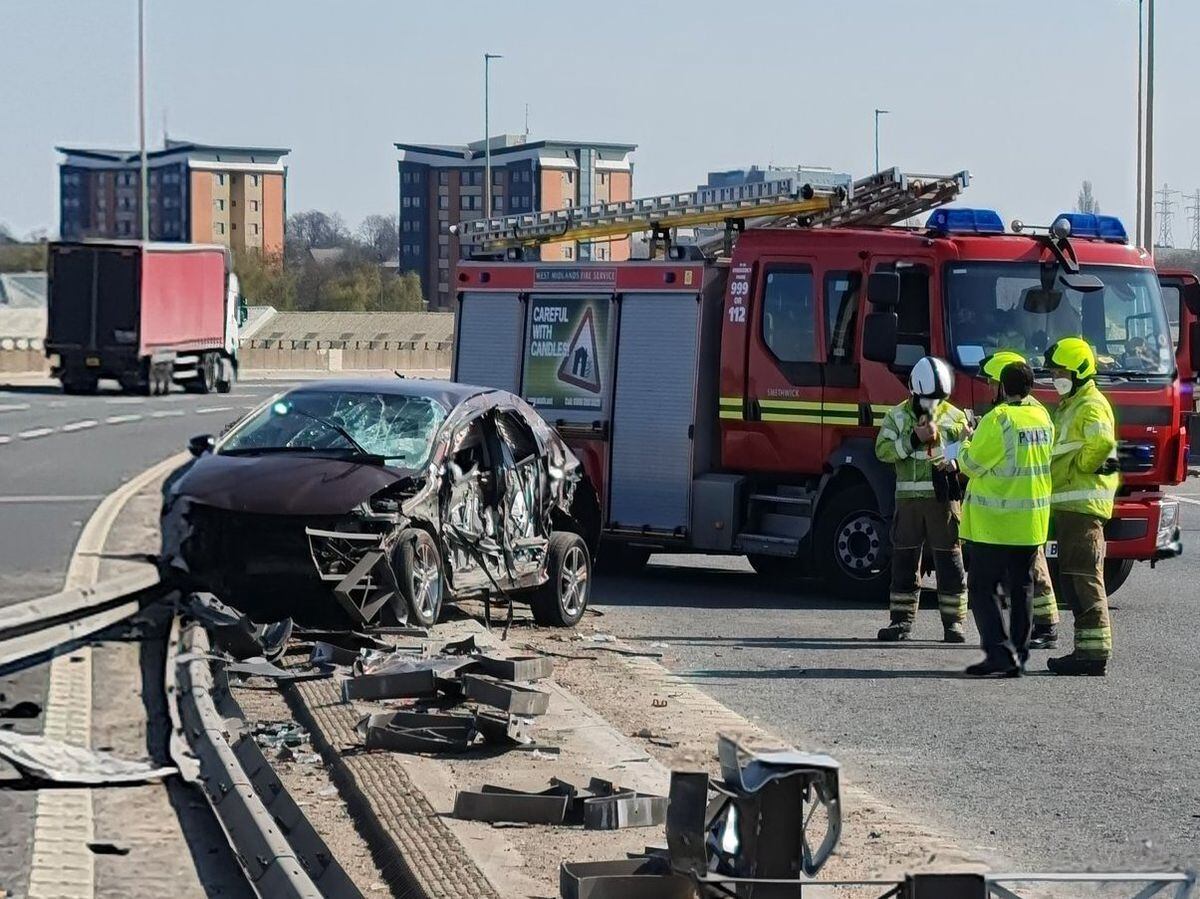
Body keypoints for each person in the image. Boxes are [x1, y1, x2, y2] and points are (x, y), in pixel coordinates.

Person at [956, 361, 1055, 677]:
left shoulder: (998, 420)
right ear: (1030, 388)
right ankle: (1019, 654)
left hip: (996, 524)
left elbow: (969, 464)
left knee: (982, 588)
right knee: (1022, 588)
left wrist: (965, 438)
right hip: (1031, 523)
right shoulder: (1042, 417)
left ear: (1001, 387)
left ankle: (999, 653)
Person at [874, 356, 970, 643]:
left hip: (944, 501)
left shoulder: (954, 416)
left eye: (938, 398)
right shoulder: (898, 417)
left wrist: (956, 455)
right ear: (913, 390)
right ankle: (900, 622)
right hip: (909, 501)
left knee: (951, 561)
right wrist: (914, 439)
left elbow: (967, 453)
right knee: (904, 560)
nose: (933, 403)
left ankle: (954, 624)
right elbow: (882, 451)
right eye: (928, 398)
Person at [1043, 337, 1119, 676]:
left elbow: (1101, 442)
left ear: (1078, 371)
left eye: (1060, 371)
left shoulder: (1089, 405)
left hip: (1082, 504)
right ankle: (1085, 651)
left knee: (1085, 577)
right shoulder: (1073, 403)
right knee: (1074, 577)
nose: (1056, 376)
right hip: (1072, 504)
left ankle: (1093, 654)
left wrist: (1083, 467)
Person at [978, 351, 1061, 649]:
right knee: (1029, 573)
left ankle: (1046, 625)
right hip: (1032, 506)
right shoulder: (1037, 412)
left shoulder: (1008, 416)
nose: (989, 388)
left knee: (1032, 572)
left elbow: (979, 462)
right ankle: (1041, 626)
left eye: (992, 382)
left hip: (1017, 509)